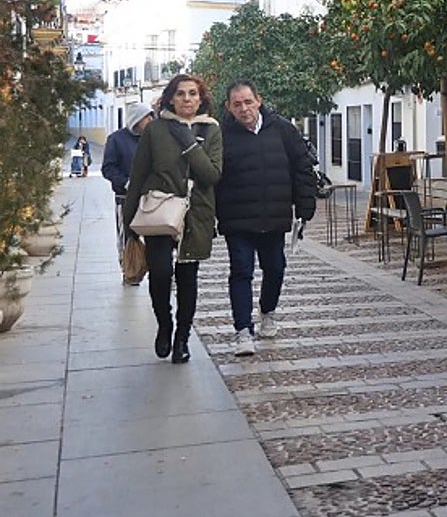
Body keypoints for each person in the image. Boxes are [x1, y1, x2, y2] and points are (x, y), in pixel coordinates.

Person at [123, 74, 223, 364]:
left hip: (196, 214)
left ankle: (182, 338)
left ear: (201, 99)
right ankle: (164, 325)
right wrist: (129, 222)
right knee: (160, 273)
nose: (187, 99)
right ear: (170, 98)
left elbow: (211, 175)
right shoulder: (156, 130)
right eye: (180, 93)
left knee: (187, 278)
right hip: (160, 211)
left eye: (193, 93)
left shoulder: (211, 130)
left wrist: (189, 143)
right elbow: (138, 174)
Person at [215, 80, 317, 357]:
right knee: (241, 271)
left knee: (275, 268)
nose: (244, 108)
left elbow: (303, 167)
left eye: (248, 102)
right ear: (229, 107)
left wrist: (305, 206)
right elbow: (211, 177)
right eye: (237, 104)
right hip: (237, 218)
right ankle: (243, 331)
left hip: (274, 216)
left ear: (258, 100)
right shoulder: (221, 135)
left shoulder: (283, 130)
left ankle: (268, 311)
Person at [102, 101, 155, 284]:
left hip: (151, 197)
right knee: (127, 236)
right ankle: (130, 269)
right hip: (125, 198)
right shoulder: (116, 139)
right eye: (147, 116)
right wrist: (126, 183)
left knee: (155, 234)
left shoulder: (154, 139)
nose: (151, 120)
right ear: (136, 119)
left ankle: (153, 268)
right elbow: (108, 168)